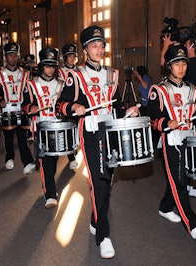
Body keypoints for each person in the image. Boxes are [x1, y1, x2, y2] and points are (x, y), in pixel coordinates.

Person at [56, 25, 140, 259]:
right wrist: (74, 106)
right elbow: (60, 105)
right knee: (100, 181)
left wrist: (127, 110)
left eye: (102, 45)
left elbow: (117, 105)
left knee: (106, 182)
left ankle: (95, 219)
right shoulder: (76, 75)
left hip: (110, 133)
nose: (99, 49)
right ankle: (103, 236)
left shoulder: (112, 74)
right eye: (94, 46)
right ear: (85, 50)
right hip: (91, 134)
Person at [147, 44, 196, 240]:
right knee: (179, 182)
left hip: (189, 141)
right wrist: (166, 122)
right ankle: (192, 223)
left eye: (184, 63)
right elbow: (151, 117)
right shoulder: (158, 90)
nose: (182, 68)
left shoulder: (193, 90)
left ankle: (165, 206)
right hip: (171, 141)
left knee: (179, 178)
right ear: (169, 66)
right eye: (177, 64)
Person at [25, 47, 64, 208]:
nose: (50, 69)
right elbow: (25, 103)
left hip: (58, 126)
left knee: (53, 160)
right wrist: (30, 107)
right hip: (41, 126)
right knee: (45, 160)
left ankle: (50, 184)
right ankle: (50, 194)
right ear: (41, 66)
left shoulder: (62, 84)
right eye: (47, 66)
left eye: (53, 66)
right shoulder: (32, 84)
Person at [0, 42, 36, 174]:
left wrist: (28, 105)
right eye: (10, 55)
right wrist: (0, 101)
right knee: (8, 136)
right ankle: (9, 157)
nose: (13, 58)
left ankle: (27, 162)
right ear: (6, 57)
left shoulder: (25, 74)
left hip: (21, 109)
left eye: (15, 55)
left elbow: (28, 92)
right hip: (7, 109)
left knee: (23, 137)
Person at [57, 43, 79, 170]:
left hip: (79, 104)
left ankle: (75, 149)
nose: (72, 58)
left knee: (78, 130)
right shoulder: (60, 71)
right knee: (69, 131)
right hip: (67, 105)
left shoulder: (80, 70)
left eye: (73, 55)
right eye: (69, 56)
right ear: (65, 57)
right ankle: (71, 158)